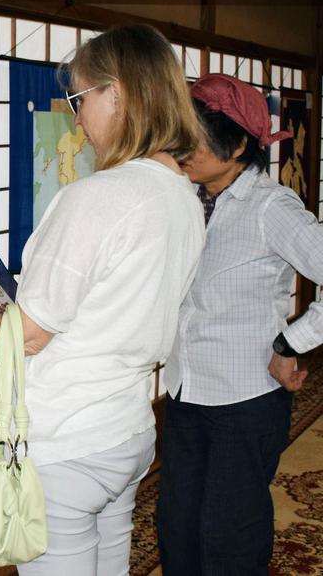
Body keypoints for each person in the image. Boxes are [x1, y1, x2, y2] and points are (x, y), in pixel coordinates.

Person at [0, 24, 206, 574]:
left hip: (69, 442)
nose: (77, 119)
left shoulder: (98, 197)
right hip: (127, 430)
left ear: (116, 94)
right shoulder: (183, 195)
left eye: (79, 99)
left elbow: (28, 335)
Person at [157, 73, 323, 575]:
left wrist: (290, 342)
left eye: (197, 137)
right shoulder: (185, 199)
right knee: (177, 529)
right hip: (185, 392)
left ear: (239, 145)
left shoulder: (272, 207)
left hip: (245, 399)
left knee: (229, 535)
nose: (183, 148)